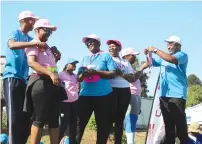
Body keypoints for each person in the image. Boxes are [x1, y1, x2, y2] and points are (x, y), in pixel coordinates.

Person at [2, 10, 46, 144]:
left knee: (25, 117)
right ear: (25, 20)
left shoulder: (30, 39)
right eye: (32, 20)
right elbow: (12, 45)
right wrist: (34, 44)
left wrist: (52, 51)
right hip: (12, 78)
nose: (34, 23)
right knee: (13, 118)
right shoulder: (15, 33)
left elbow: (41, 51)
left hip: (24, 80)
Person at [145, 35, 189, 144]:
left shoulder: (182, 55)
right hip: (164, 95)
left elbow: (172, 59)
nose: (168, 46)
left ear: (178, 45)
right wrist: (148, 54)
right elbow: (151, 63)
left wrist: (155, 50)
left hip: (177, 95)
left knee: (180, 126)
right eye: (167, 44)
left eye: (171, 43)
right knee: (168, 126)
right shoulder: (164, 57)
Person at [25, 18, 62, 144]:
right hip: (40, 81)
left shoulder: (47, 48)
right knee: (39, 118)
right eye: (46, 30)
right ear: (36, 30)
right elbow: (32, 63)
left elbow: (48, 65)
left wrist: (54, 64)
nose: (48, 33)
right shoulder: (34, 43)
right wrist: (51, 73)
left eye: (50, 32)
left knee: (54, 119)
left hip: (52, 84)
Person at [76, 34, 116, 144]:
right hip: (85, 96)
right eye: (87, 42)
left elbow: (113, 73)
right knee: (78, 126)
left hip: (103, 96)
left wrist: (96, 72)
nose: (89, 43)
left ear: (98, 43)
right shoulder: (85, 58)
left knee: (103, 127)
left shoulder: (106, 56)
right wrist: (82, 75)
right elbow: (78, 78)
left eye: (92, 41)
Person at [107, 40, 134, 144]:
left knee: (120, 119)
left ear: (119, 48)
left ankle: (118, 141)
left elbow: (131, 78)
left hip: (125, 91)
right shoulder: (106, 59)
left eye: (113, 46)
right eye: (109, 46)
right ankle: (106, 138)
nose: (111, 48)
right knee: (109, 117)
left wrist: (121, 74)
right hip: (111, 90)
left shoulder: (125, 62)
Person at [121, 47, 148, 144]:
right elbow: (132, 79)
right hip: (131, 94)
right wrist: (142, 68)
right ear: (126, 56)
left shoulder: (130, 67)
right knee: (131, 119)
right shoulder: (123, 66)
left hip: (137, 94)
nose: (135, 58)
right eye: (133, 55)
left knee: (134, 119)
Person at [59, 58, 79, 143]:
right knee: (63, 124)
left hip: (75, 102)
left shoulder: (75, 76)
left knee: (73, 124)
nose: (74, 65)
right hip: (65, 102)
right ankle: (57, 140)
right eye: (72, 64)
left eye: (75, 64)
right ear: (67, 64)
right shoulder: (61, 74)